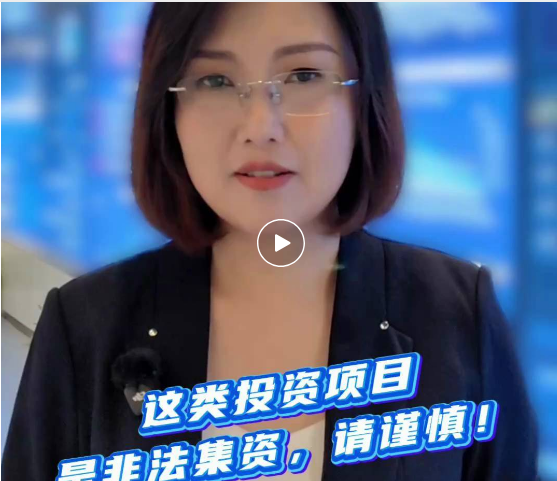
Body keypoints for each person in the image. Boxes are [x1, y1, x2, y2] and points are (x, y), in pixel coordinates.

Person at [2, 3, 540, 480]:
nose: (261, 126)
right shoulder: (84, 325)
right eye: (215, 81)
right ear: (168, 113)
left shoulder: (455, 313)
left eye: (304, 75)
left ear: (364, 100)